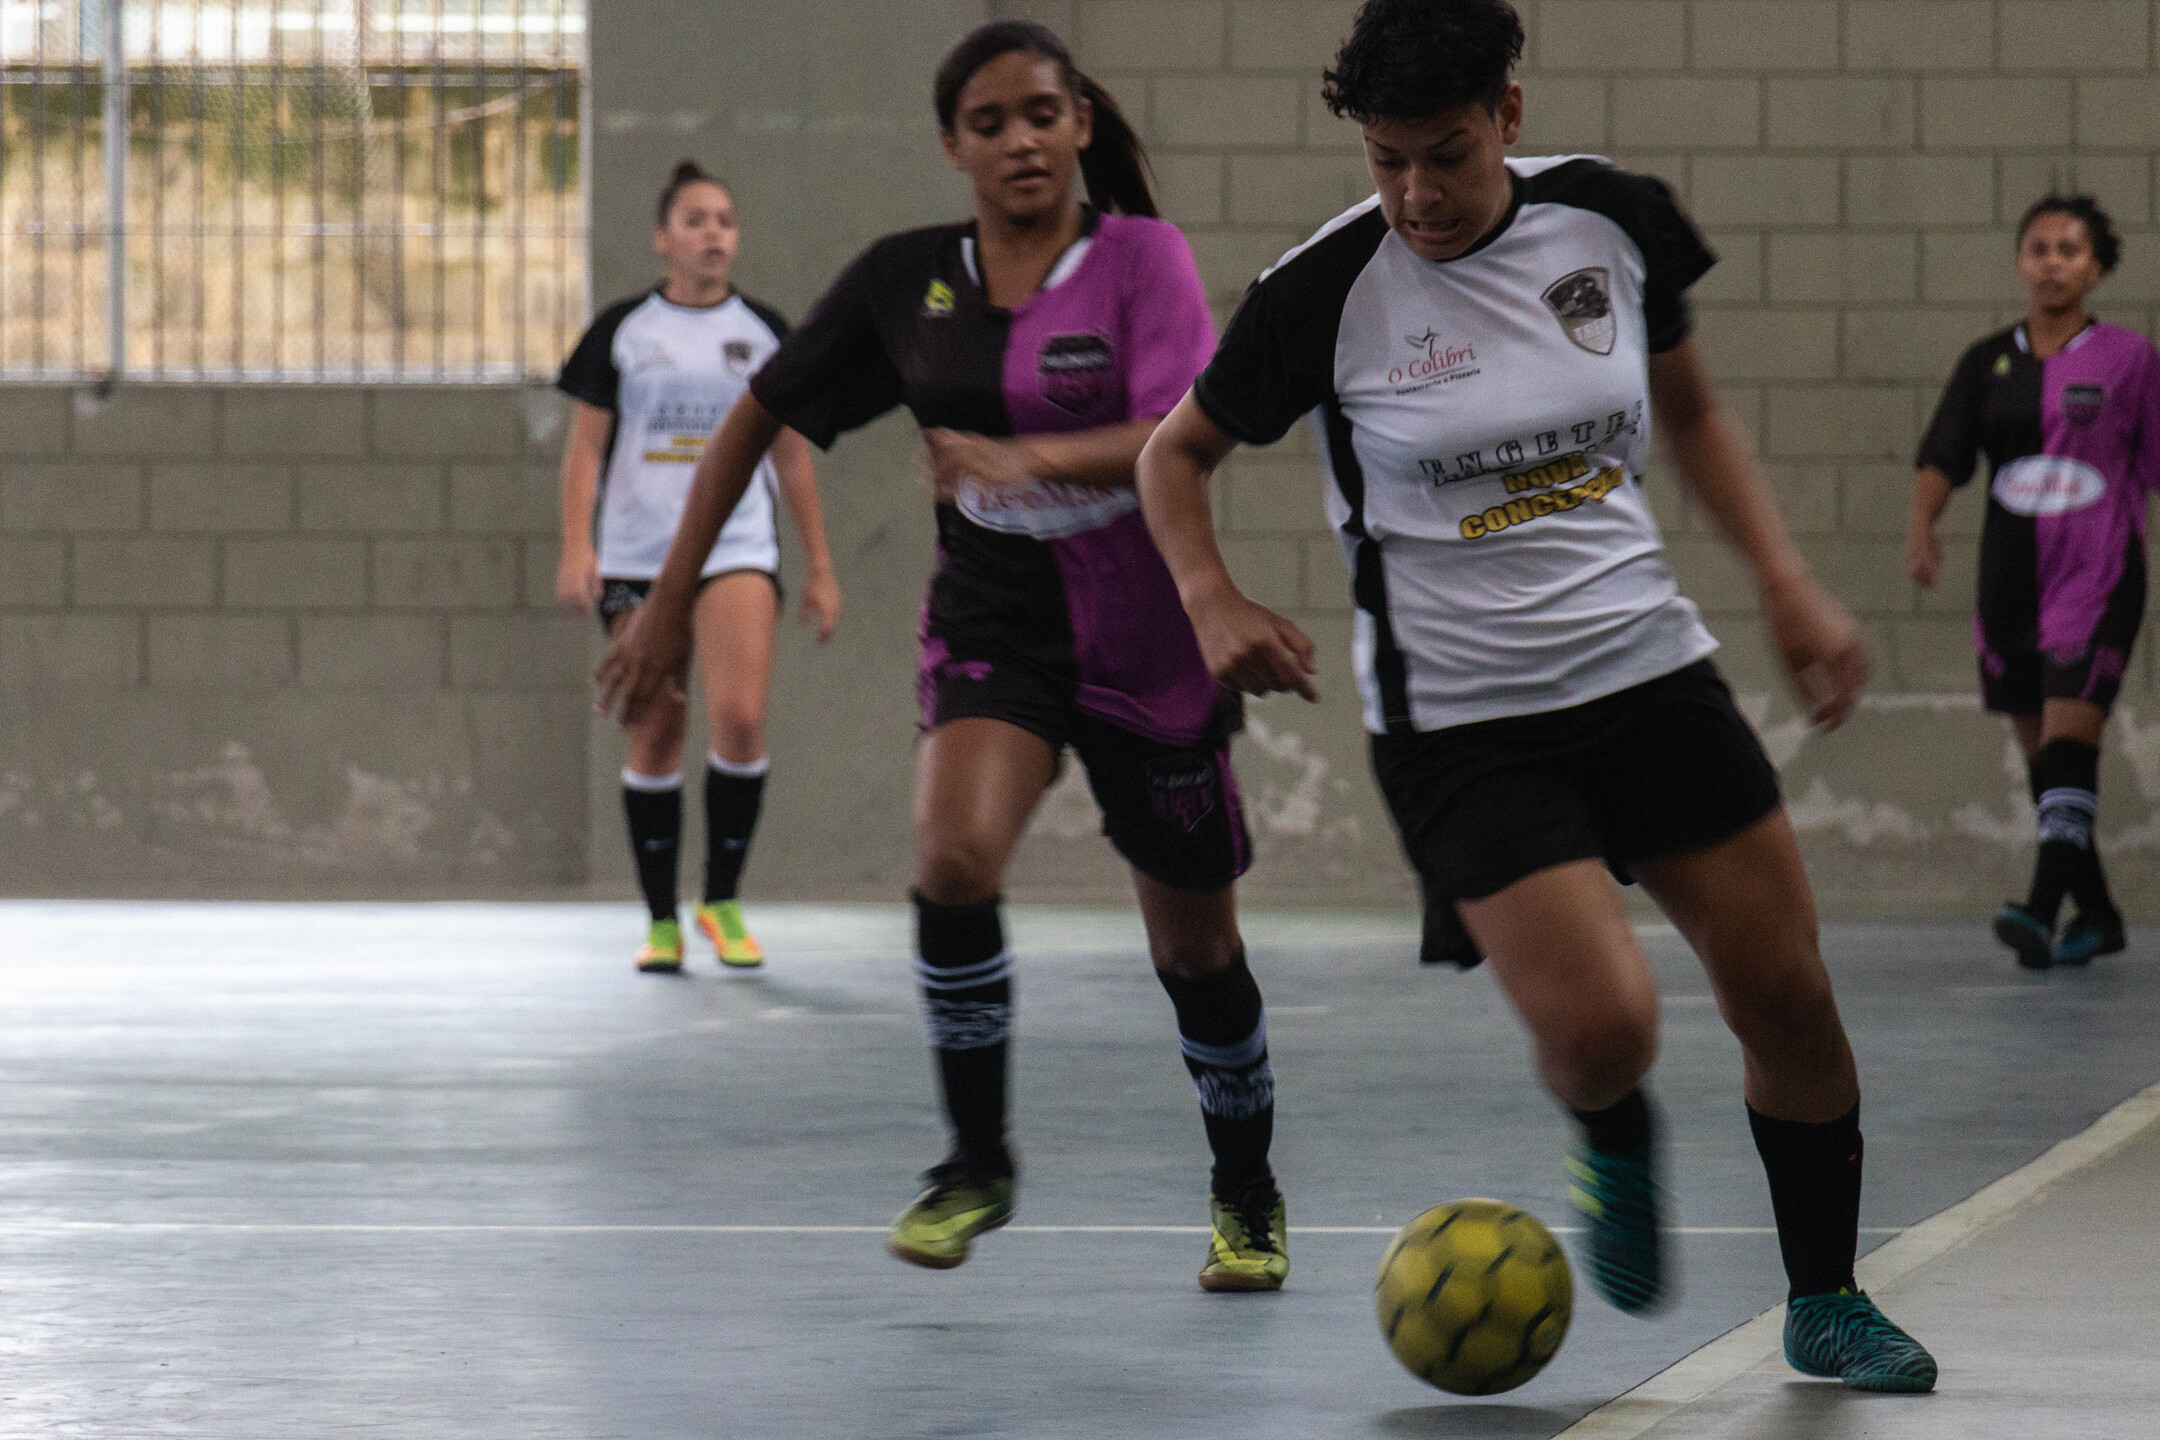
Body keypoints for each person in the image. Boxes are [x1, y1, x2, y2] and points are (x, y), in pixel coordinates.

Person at [1134, 0, 1936, 1391]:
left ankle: (1826, 1298)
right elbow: (1172, 456)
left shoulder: (1612, 223)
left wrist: (1785, 581)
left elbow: (1686, 412)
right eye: (1388, 161)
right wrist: (1212, 600)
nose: (1416, 194)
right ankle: (1613, 1133)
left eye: (1444, 153)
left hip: (1645, 669)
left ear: (1509, 115)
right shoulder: (1324, 291)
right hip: (1463, 724)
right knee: (1604, 1027)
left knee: (1787, 997)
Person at [596, 22, 1288, 1292]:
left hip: (1147, 633)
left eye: (1040, 114)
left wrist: (1020, 457)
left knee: (1195, 953)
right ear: (951, 144)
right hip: (995, 624)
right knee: (951, 858)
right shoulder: (907, 282)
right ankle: (976, 1161)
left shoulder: (1143, 259)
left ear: (1080, 121)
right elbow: (759, 413)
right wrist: (664, 602)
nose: (1019, 140)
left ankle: (1245, 1189)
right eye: (989, 122)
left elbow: (1180, 428)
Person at [556, 159, 841, 974]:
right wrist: (580, 546)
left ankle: (720, 898)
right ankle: (660, 921)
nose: (712, 232)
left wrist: (819, 566)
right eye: (694, 219)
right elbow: (586, 448)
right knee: (657, 726)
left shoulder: (764, 333)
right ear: (662, 238)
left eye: (724, 219)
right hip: (640, 557)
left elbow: (791, 459)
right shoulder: (622, 332)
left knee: (740, 717)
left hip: (738, 549)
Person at [1909, 195, 2157, 970]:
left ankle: (2040, 907)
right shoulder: (1988, 362)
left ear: (2097, 267)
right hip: (2009, 582)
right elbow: (1942, 457)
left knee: (2070, 745)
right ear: (2020, 261)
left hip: (2098, 572)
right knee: (2042, 762)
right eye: (2039, 248)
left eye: (2070, 250)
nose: (2053, 262)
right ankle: (2102, 916)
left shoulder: (2130, 361)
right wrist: (1923, 529)